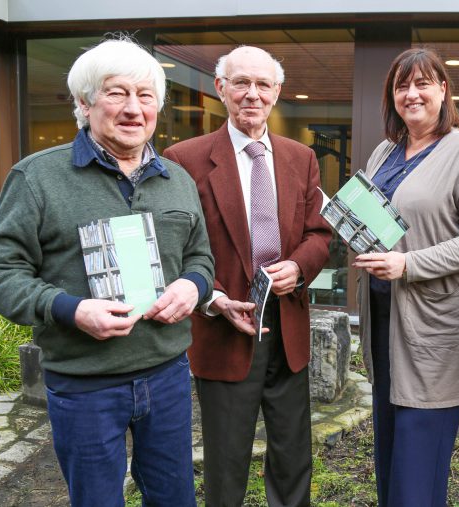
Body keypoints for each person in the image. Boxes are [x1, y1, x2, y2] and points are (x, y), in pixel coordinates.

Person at [0, 38, 214, 507]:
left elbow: (200, 257)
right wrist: (71, 308)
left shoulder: (177, 180)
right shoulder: (38, 178)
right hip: (86, 383)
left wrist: (192, 285)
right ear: (84, 103)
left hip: (167, 375)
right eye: (116, 93)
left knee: (175, 497)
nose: (133, 108)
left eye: (145, 96)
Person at [162, 46, 331, 507]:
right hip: (224, 326)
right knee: (227, 460)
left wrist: (299, 266)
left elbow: (319, 232)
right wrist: (212, 299)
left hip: (287, 325)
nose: (251, 95)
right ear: (221, 89)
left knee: (294, 454)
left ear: (277, 92)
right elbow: (174, 248)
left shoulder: (302, 158)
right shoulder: (184, 159)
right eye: (241, 83)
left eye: (262, 85)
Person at [352, 47, 459, 507]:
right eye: (402, 85)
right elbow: (381, 221)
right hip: (385, 319)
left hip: (435, 328)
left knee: (418, 471)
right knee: (390, 457)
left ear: (443, 89)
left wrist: (408, 264)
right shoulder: (385, 151)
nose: (411, 93)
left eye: (422, 83)